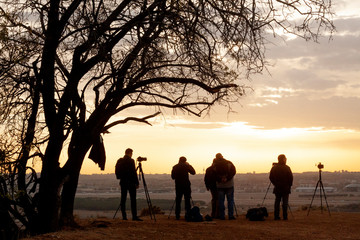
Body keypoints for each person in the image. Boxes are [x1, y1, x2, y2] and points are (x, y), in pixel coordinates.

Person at [116, 148, 142, 221]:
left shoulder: (120, 160)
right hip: (131, 183)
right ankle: (134, 216)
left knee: (123, 199)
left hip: (123, 182)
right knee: (133, 200)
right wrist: (137, 182)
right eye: (132, 153)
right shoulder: (131, 161)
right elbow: (133, 173)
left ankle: (124, 216)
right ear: (130, 153)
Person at [269, 154, 293, 220]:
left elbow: (271, 177)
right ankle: (285, 217)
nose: (286, 160)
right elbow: (291, 178)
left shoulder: (274, 168)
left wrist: (275, 184)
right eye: (285, 158)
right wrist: (289, 185)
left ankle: (276, 216)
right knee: (285, 203)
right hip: (285, 188)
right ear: (283, 159)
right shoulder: (287, 168)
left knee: (277, 202)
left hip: (277, 188)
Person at [213, 153, 236, 220]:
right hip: (229, 184)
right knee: (230, 201)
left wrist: (220, 179)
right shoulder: (229, 163)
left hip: (220, 185)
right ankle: (230, 215)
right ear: (222, 157)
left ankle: (222, 216)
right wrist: (227, 178)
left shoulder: (214, 165)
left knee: (221, 201)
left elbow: (213, 175)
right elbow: (233, 172)